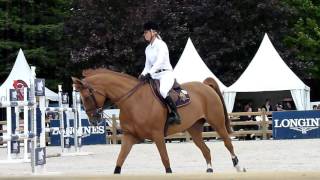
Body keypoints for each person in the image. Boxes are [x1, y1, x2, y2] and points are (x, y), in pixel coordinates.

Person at [139, 21, 180, 124]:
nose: (144, 35)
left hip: (166, 74)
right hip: (155, 75)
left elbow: (160, 61)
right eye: (144, 33)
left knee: (163, 91)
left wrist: (150, 73)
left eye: (146, 32)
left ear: (153, 32)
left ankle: (175, 114)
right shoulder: (147, 49)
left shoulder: (161, 45)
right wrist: (142, 75)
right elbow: (147, 66)